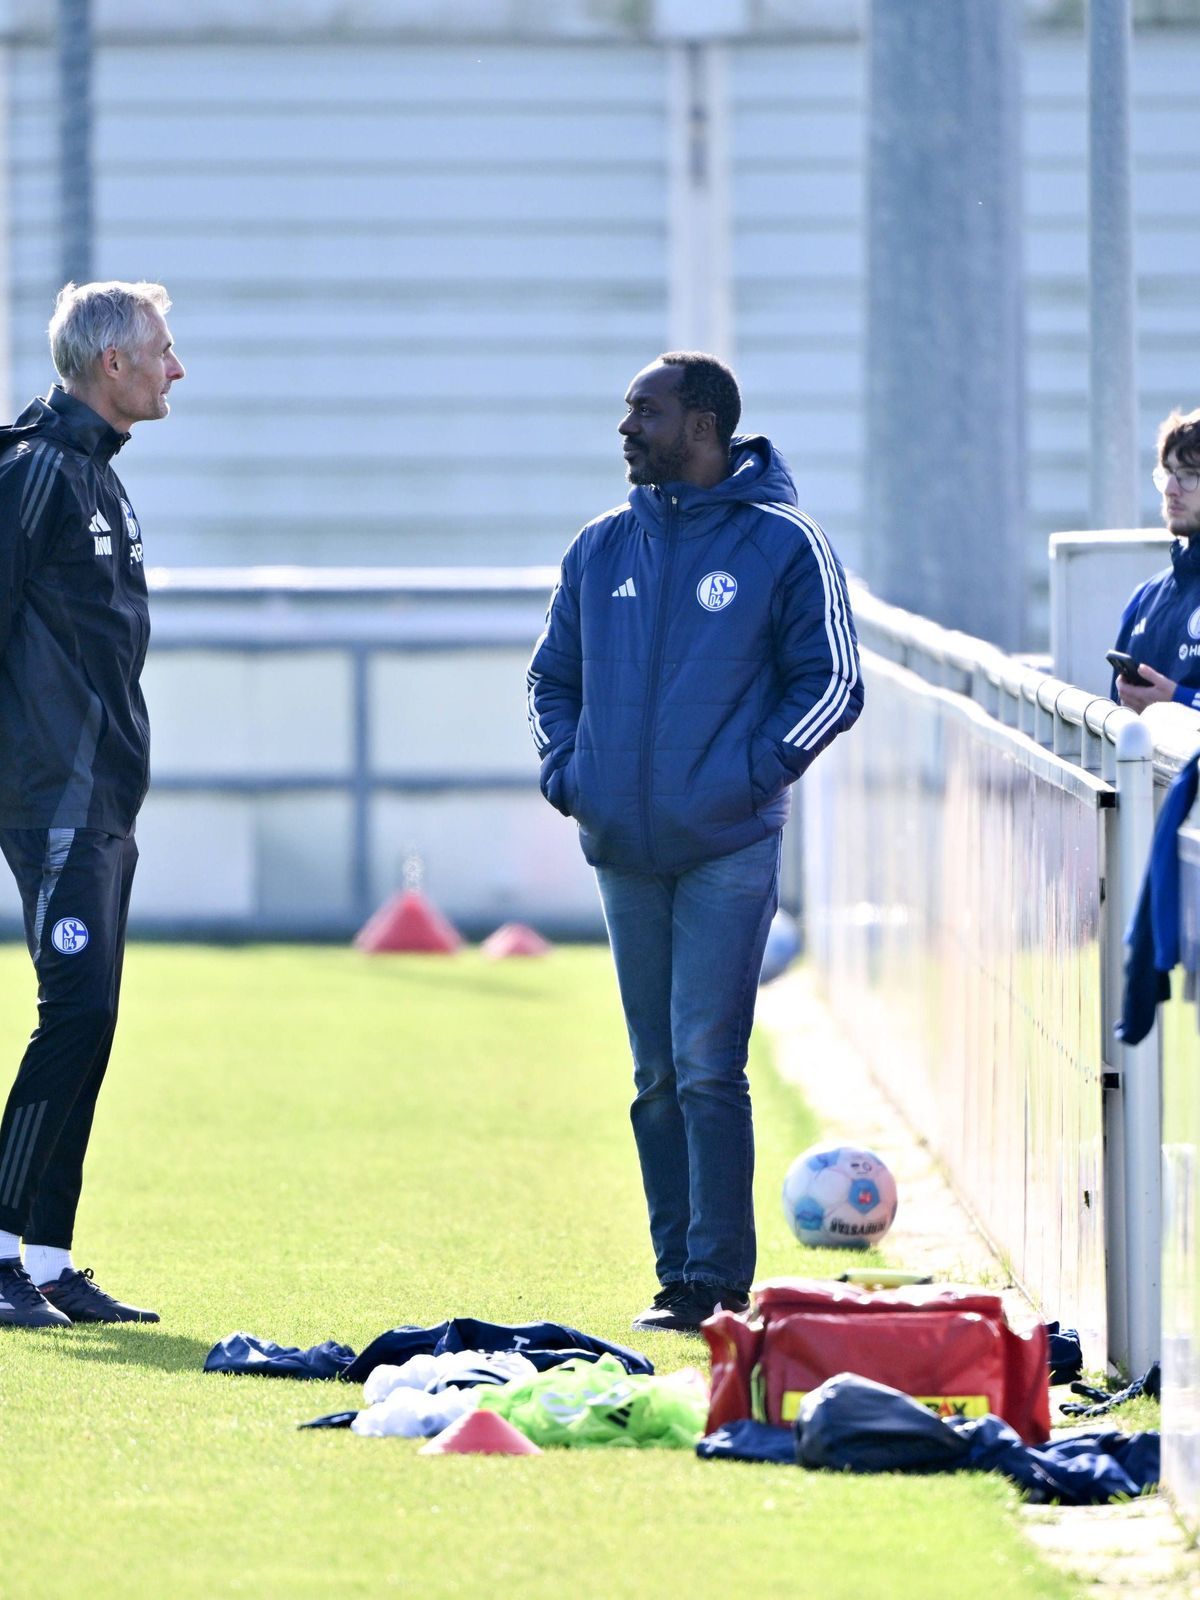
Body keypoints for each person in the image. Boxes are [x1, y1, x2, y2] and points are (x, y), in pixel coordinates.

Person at [527, 352, 863, 1332]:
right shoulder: (599, 547)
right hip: (624, 848)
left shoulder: (784, 542)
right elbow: (552, 680)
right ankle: (674, 1277)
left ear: (704, 427)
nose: (627, 429)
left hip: (727, 847)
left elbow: (834, 683)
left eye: (647, 413)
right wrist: (570, 775)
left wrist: (750, 776)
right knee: (656, 1073)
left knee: (707, 1062)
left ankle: (718, 1281)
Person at [0, 281, 184, 1328]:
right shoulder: (34, 474)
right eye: (162, 348)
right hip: (49, 794)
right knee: (70, 1015)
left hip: (105, 796)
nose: (176, 366)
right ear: (111, 363)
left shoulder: (102, 481)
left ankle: (50, 1260)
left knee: (94, 1020)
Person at [1111, 408, 1200, 712]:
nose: (1170, 490)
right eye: (1167, 473)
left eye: (1189, 475)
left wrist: (1177, 699)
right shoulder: (1144, 598)